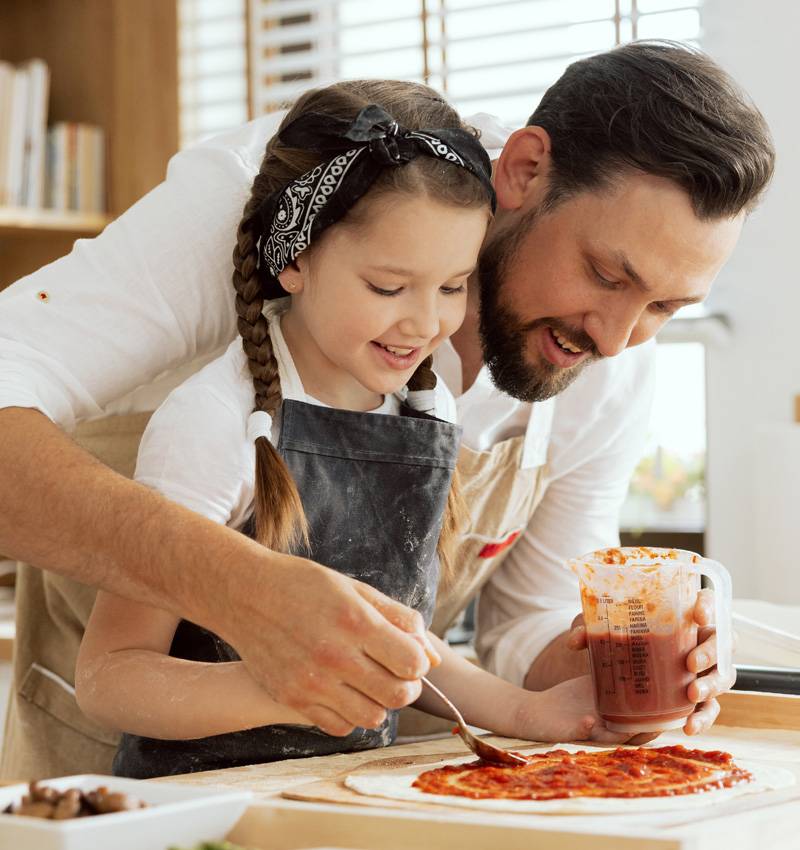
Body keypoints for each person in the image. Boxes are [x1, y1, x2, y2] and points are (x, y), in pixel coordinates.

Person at [0, 42, 774, 779]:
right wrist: (238, 587)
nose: (617, 337)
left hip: (351, 784)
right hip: (107, 782)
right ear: (527, 168)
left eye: (668, 306)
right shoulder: (311, 190)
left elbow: (517, 627)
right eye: (605, 274)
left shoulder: (600, 362)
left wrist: (615, 668)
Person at [75, 80, 643, 779]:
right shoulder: (213, 423)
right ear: (296, 258)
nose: (424, 324)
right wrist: (284, 681)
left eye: (452, 285)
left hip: (345, 797)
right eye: (386, 287)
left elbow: (403, 649)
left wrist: (532, 713)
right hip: (201, 805)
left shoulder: (422, 412)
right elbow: (111, 677)